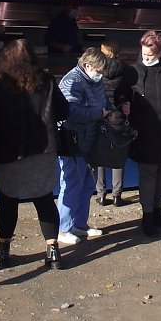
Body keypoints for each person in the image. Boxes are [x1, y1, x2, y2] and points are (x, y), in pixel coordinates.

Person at [0, 40, 70, 270]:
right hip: (43, 151)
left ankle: (4, 251)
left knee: (8, 202)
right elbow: (64, 111)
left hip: (10, 153)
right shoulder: (47, 81)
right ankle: (53, 251)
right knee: (44, 200)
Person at [116, 30, 161, 237]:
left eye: (150, 55)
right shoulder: (134, 71)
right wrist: (124, 104)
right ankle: (147, 216)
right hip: (144, 130)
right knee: (148, 174)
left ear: (159, 53)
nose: (145, 58)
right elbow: (121, 93)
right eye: (143, 54)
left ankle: (158, 213)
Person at [57, 47, 114, 245]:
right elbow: (70, 112)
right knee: (72, 183)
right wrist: (100, 113)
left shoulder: (94, 81)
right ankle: (62, 229)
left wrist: (111, 110)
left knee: (87, 184)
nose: (101, 74)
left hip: (92, 140)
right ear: (87, 65)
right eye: (99, 70)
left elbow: (105, 102)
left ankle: (79, 224)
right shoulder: (71, 81)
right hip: (73, 141)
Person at [96, 41, 126, 207]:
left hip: (101, 115)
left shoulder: (97, 69)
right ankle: (117, 195)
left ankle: (101, 194)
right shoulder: (126, 69)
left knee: (100, 155)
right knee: (118, 155)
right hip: (118, 115)